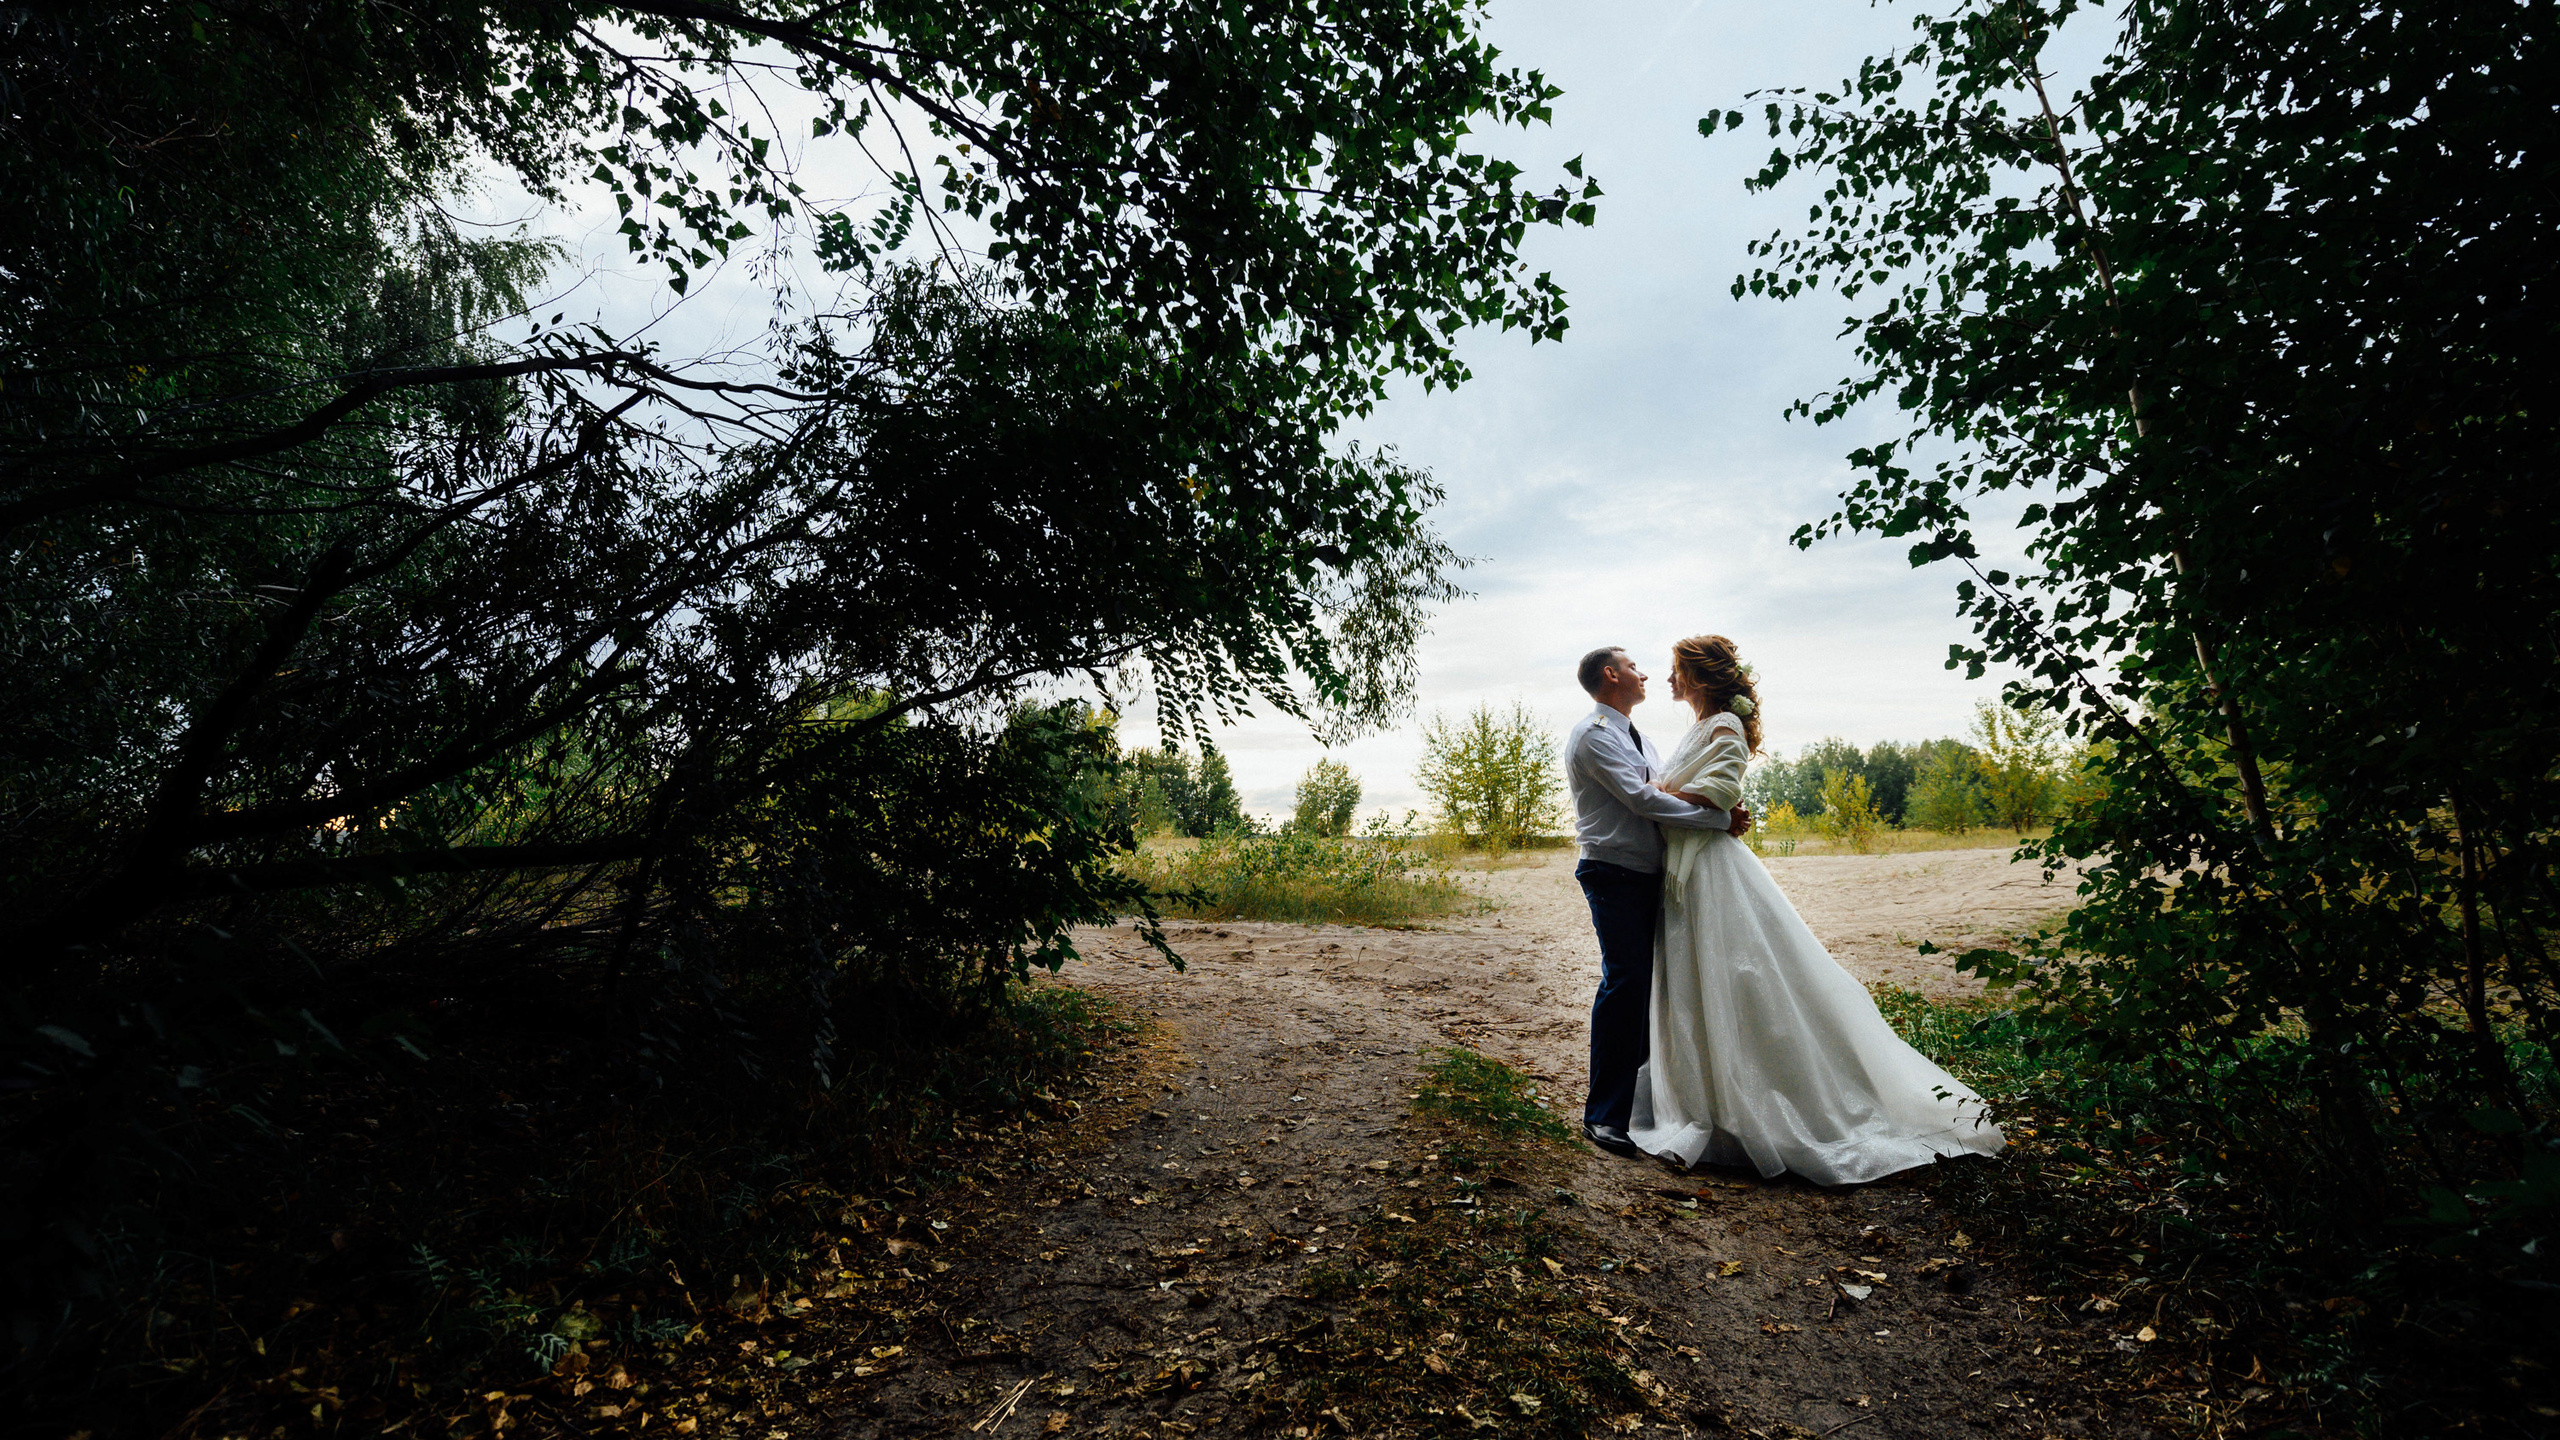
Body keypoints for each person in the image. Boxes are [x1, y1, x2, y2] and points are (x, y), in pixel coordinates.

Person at [1629, 634, 2005, 1184]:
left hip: (1711, 870)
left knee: (1736, 974)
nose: (1668, 679)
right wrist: (1667, 797)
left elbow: (1715, 795)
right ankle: (1702, 1095)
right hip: (1689, 867)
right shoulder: (1700, 727)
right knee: (1697, 979)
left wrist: (1652, 795)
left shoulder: (1724, 728)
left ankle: (1758, 1103)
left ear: (1701, 676)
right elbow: (1704, 800)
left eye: (1676, 669)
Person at [1564, 646, 1750, 1159]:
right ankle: (1603, 1117)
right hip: (1614, 870)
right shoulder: (1594, 736)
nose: (1644, 673)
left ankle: (1642, 1108)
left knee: (1652, 989)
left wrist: (1713, 806)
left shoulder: (1638, 737)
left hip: (1650, 872)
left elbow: (1665, 790)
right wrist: (1719, 820)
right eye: (1633, 666)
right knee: (1624, 984)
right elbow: (1644, 799)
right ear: (1611, 674)